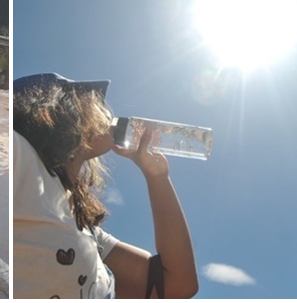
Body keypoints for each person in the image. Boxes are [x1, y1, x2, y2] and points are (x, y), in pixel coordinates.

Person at [13, 72, 198, 299]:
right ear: (58, 109)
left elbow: (178, 285)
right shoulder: (23, 160)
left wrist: (158, 177)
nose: (105, 112)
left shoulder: (89, 232)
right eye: (92, 102)